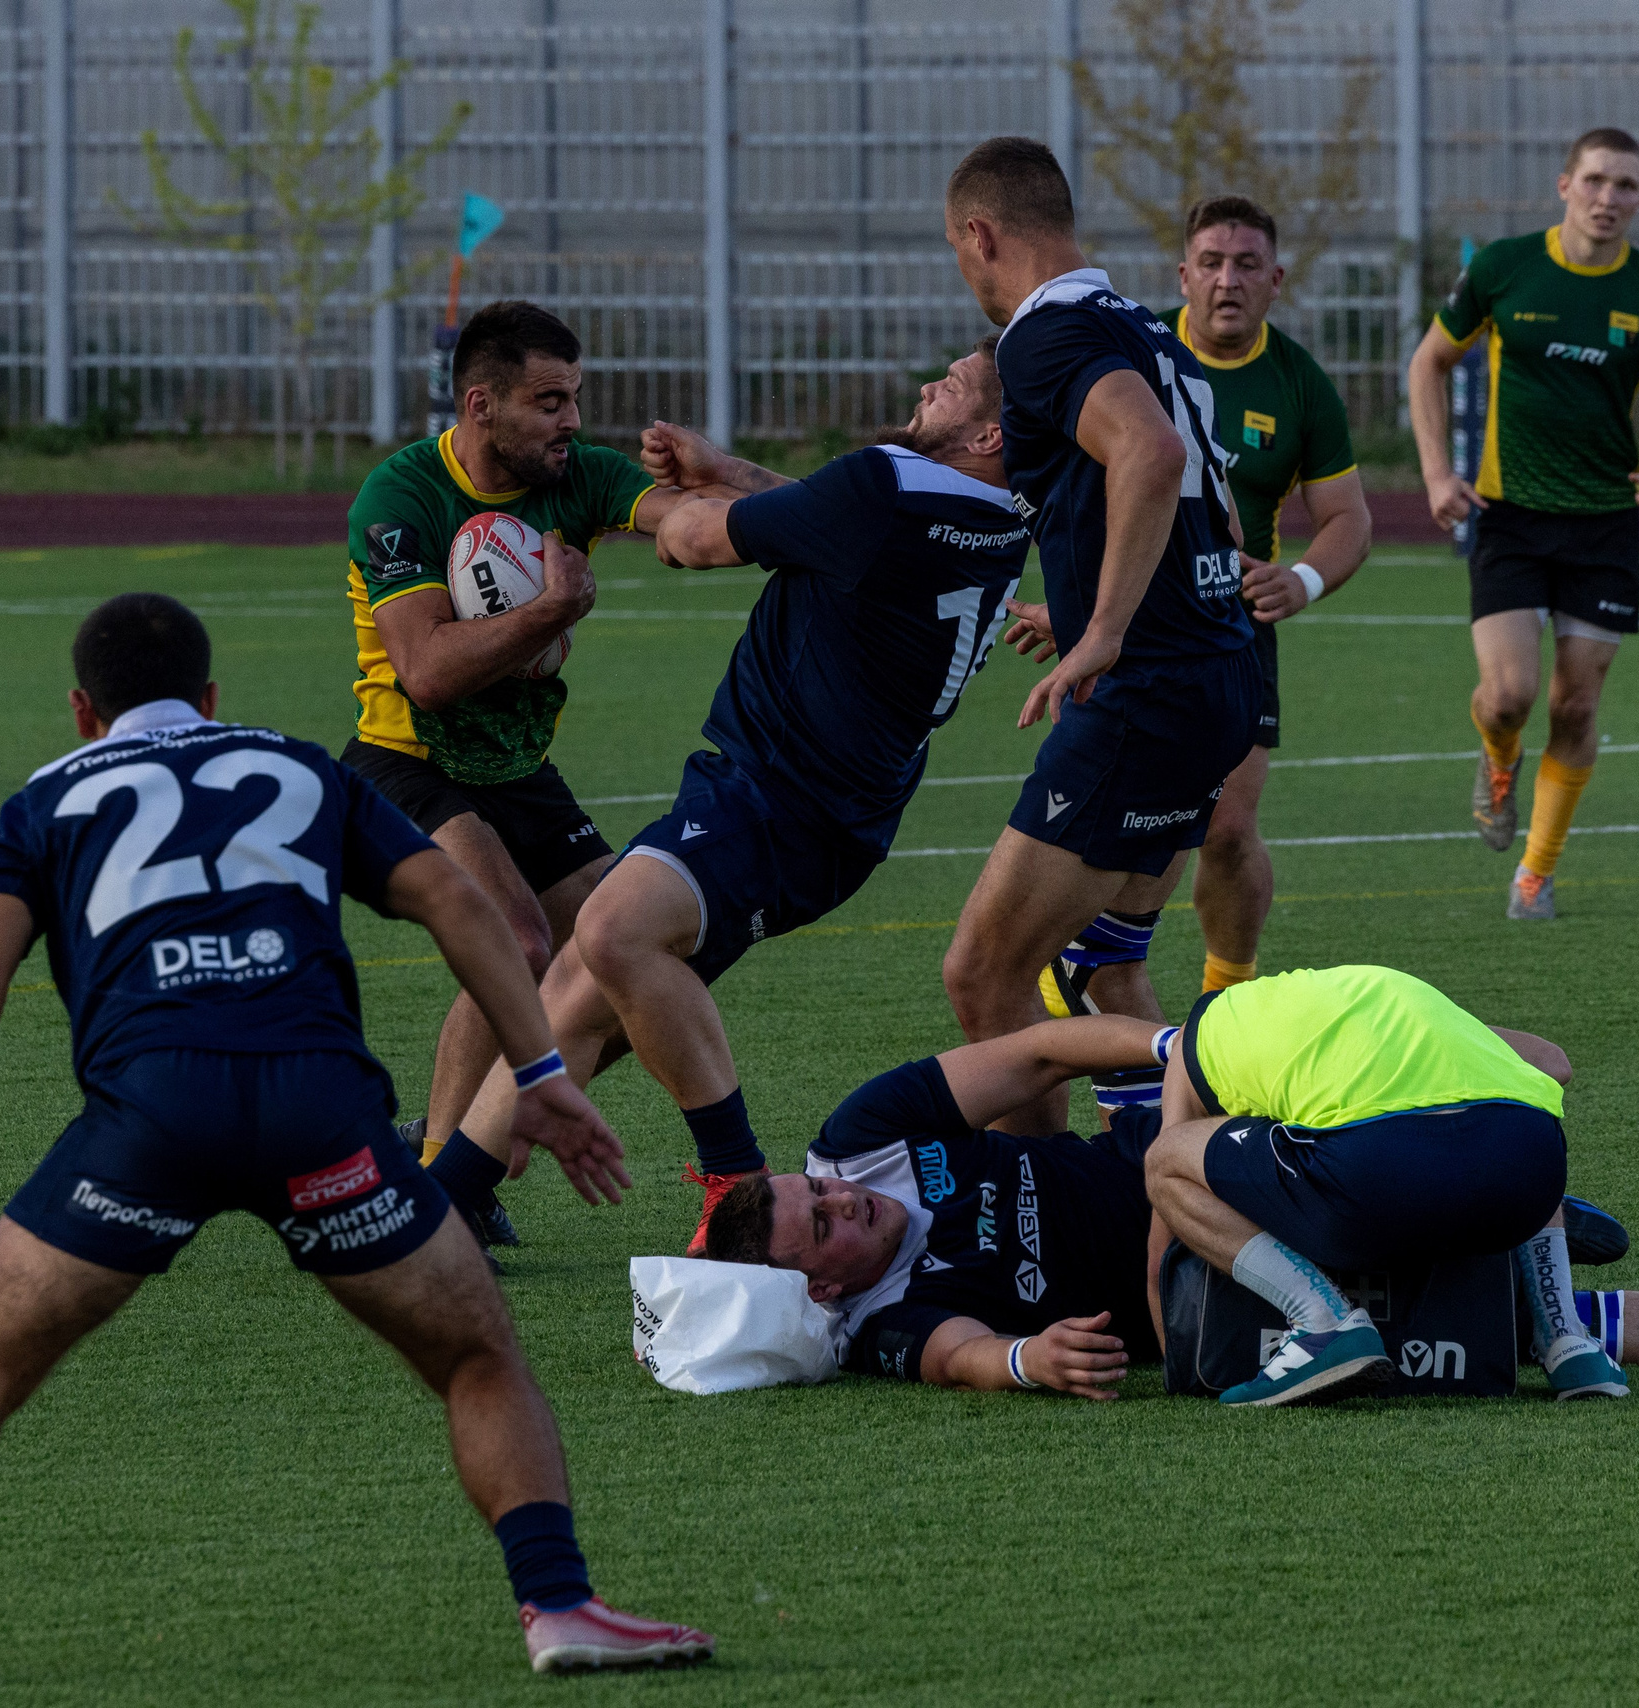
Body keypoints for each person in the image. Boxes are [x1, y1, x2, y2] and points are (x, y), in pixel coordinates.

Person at [0, 595, 711, 1685]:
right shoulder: (300, 765)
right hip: (317, 1113)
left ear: (82, 711)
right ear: (211, 698)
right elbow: (457, 899)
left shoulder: (43, 801)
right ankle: (557, 1604)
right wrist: (538, 1071)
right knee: (475, 1356)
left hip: (149, 1122)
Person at [432, 343, 1031, 1252]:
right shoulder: (990, 511)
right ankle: (447, 1202)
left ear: (989, 431)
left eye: (949, 386)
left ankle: (737, 1181)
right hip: (827, 808)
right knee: (578, 991)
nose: (925, 387)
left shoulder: (886, 489)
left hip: (782, 799)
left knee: (612, 932)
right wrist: (728, 472)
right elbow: (845, 522)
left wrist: (597, 541)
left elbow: (694, 543)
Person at [697, 1014, 1639, 1396]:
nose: (846, 1198)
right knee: (1512, 1324)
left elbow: (1036, 1051)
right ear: (822, 1286)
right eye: (831, 1224)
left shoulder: (867, 1137)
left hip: (1210, 1169)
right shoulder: (879, 1326)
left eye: (823, 1188)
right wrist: (1025, 1359)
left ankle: (1472, 1173)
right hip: (1205, 1288)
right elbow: (956, 1353)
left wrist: (1180, 1042)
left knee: (1297, 1096)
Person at [339, 299, 719, 1184]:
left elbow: (683, 523)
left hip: (519, 770)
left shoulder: (576, 474)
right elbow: (427, 673)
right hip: (406, 761)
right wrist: (551, 609)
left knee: (636, 959)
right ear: (480, 406)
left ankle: (455, 1131)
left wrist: (720, 485)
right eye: (549, 401)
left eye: (576, 398)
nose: (573, 422)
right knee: (515, 944)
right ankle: (444, 1189)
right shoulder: (401, 497)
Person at [936, 136, 1260, 1137]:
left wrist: (1106, 631)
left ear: (980, 235)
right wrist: (1081, 612)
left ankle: (1047, 1227)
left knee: (986, 972)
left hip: (1149, 694)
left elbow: (1152, 456)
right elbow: (1225, 514)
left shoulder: (1044, 337)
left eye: (959, 251)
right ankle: (1176, 1181)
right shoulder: (1140, 327)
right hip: (1215, 673)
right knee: (1101, 957)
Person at [1406, 126, 1639, 921]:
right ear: (1564, 184)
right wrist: (1438, 473)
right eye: (1597, 180)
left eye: (1626, 186)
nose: (1609, 198)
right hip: (1508, 514)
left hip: (1605, 525)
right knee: (1508, 695)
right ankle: (1497, 762)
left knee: (1575, 708)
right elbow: (1428, 362)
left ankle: (1535, 873)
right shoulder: (1505, 268)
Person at [1141, 962, 1631, 1405]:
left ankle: (1322, 1325)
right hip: (1530, 1174)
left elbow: (1166, 1220)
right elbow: (1554, 1065)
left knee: (1166, 1161)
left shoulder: (1196, 1039)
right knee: (1516, 1102)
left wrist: (1176, 1358)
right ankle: (1568, 1340)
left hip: (1377, 1181)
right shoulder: (1391, 996)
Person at [1165, 194, 1373, 998]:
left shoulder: (1297, 384)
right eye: (1211, 263)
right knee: (1112, 826)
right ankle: (1080, 976)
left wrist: (1303, 578)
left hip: (1237, 627)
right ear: (1184, 275)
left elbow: (1347, 518)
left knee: (1225, 826)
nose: (1227, 280)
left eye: (1246, 264)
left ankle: (1228, 992)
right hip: (1131, 618)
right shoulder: (1134, 354)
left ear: (1276, 279)